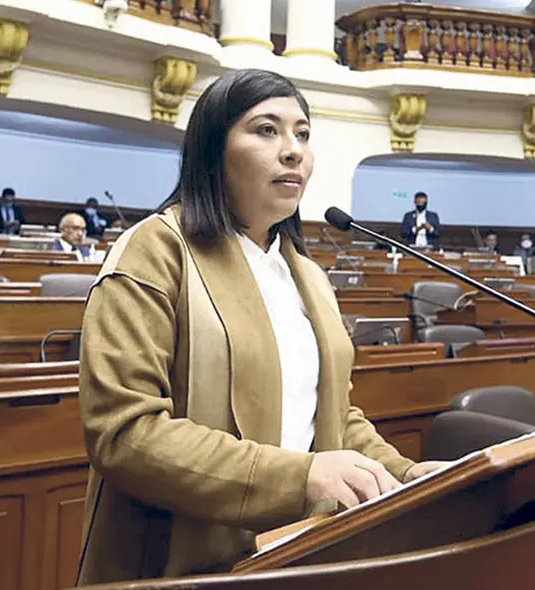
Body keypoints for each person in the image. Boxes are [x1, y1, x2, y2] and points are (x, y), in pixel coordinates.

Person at [76, 68, 445, 585]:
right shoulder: (156, 251)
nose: (293, 150)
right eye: (266, 130)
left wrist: (404, 476)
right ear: (213, 149)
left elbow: (334, 415)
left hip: (297, 552)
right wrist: (302, 476)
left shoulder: (307, 275)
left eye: (303, 134)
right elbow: (124, 432)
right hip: (179, 561)